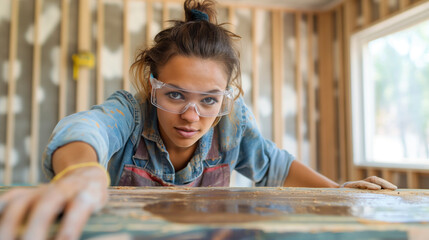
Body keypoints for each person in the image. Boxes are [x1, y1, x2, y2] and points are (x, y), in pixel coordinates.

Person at [0, 0, 397, 239]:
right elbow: (86, 128)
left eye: (209, 100)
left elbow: (274, 165)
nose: (192, 116)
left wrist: (339, 192)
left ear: (226, 97)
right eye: (175, 95)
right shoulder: (131, 111)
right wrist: (82, 171)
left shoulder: (232, 123)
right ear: (151, 85)